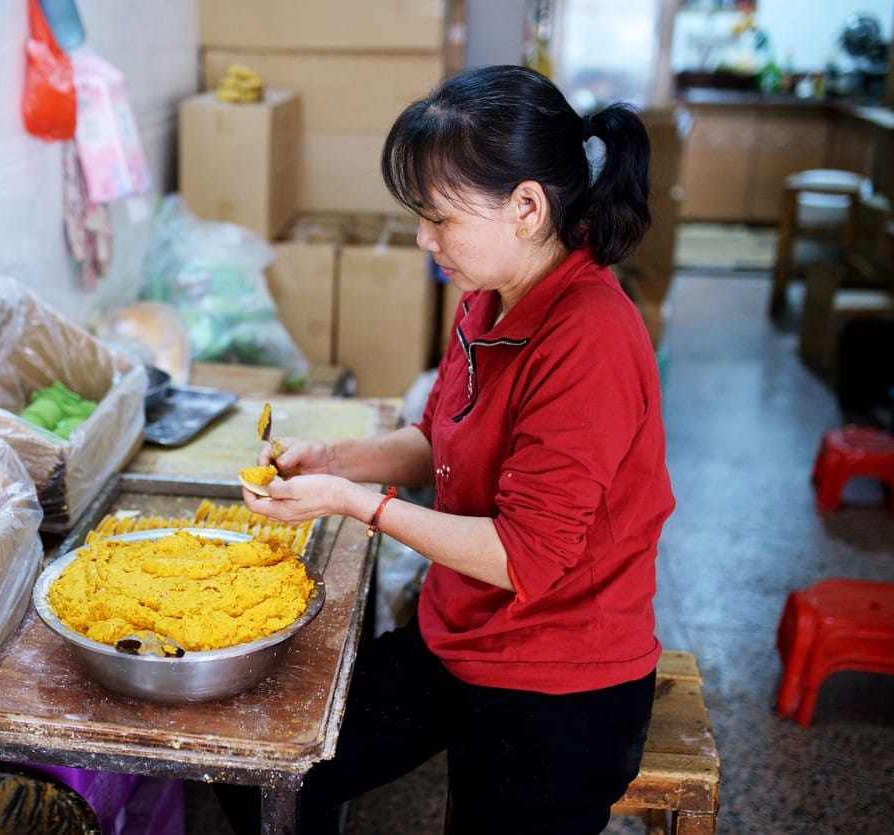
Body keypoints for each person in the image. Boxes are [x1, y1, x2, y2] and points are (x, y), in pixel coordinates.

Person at [226, 65, 675, 834]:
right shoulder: (487, 292)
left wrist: (355, 504)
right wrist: (329, 459)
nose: (422, 238)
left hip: (558, 681)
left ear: (527, 207)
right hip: (461, 630)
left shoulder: (589, 336)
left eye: (438, 219)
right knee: (259, 771)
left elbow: (521, 557)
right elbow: (437, 438)